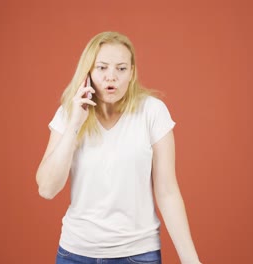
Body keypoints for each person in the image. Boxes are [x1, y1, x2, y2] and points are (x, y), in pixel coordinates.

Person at [36, 31, 201, 264]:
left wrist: (191, 260)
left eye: (121, 69)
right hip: (75, 254)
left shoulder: (152, 112)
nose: (111, 77)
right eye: (102, 67)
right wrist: (75, 123)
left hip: (138, 254)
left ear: (132, 73)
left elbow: (167, 191)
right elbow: (47, 189)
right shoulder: (68, 114)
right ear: (88, 71)